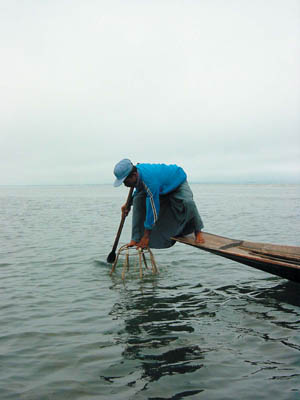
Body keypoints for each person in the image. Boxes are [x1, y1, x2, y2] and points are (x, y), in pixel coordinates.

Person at [113, 159, 205, 249]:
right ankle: (135, 238)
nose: (125, 185)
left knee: (188, 202)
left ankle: (198, 230)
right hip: (159, 185)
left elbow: (152, 210)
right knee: (137, 200)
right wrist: (128, 204)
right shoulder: (138, 175)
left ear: (134, 175)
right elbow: (139, 190)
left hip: (177, 180)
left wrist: (146, 237)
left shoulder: (149, 181)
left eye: (125, 181)